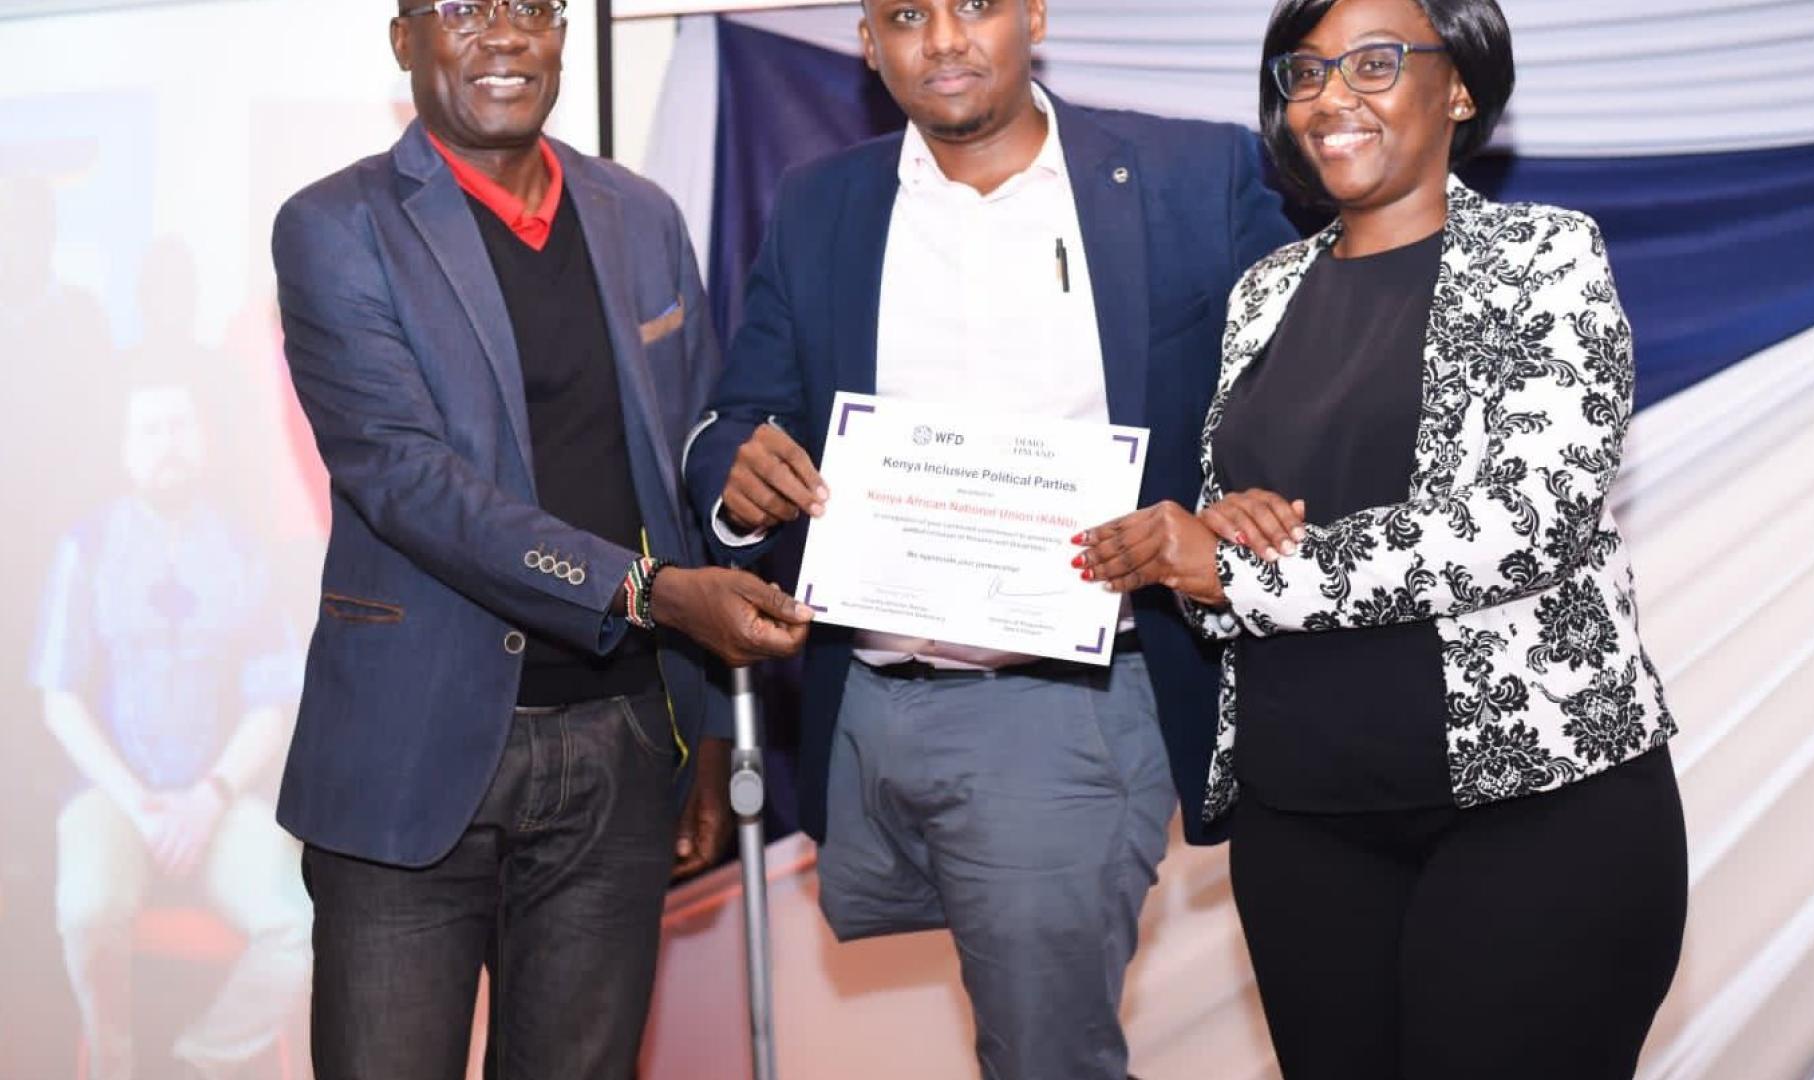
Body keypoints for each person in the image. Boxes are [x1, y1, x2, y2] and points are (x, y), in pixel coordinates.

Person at [1077, 0, 1687, 1077]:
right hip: (1303, 819)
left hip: (1530, 810)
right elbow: (1240, 547)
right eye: (1303, 73)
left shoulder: (1545, 255)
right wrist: (1219, 533)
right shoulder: (1265, 294)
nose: (1329, 97)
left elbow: (1520, 523)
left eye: (1371, 62)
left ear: (1458, 86)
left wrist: (1233, 568)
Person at [682, 1, 1293, 1074]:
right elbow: (742, 412)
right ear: (870, 44)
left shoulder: (1189, 174)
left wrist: (1240, 505)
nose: (946, 39)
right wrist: (737, 480)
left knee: (1040, 1056)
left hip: (1071, 704)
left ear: (1035, 15)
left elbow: (1299, 389)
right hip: (863, 700)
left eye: (976, 4)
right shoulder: (824, 201)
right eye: (908, 16)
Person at [271, 1, 812, 1076]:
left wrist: (701, 736)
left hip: (619, 751)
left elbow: (683, 463)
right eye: (465, 9)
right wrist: (647, 595)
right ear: (404, 39)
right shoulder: (337, 225)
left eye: (531, 7)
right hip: (411, 759)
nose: (505, 35)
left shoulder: (642, 214)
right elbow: (410, 481)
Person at [33, 379, 311, 1080]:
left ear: (206, 443)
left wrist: (207, 797)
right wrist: (138, 804)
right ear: (126, 451)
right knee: (86, 911)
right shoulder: (86, 548)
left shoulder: (245, 552)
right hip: (114, 797)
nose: (167, 445)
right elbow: (58, 699)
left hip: (215, 797)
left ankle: (199, 1063)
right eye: (150, 431)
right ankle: (116, 1067)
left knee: (301, 926)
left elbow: (271, 703)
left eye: (180, 428)